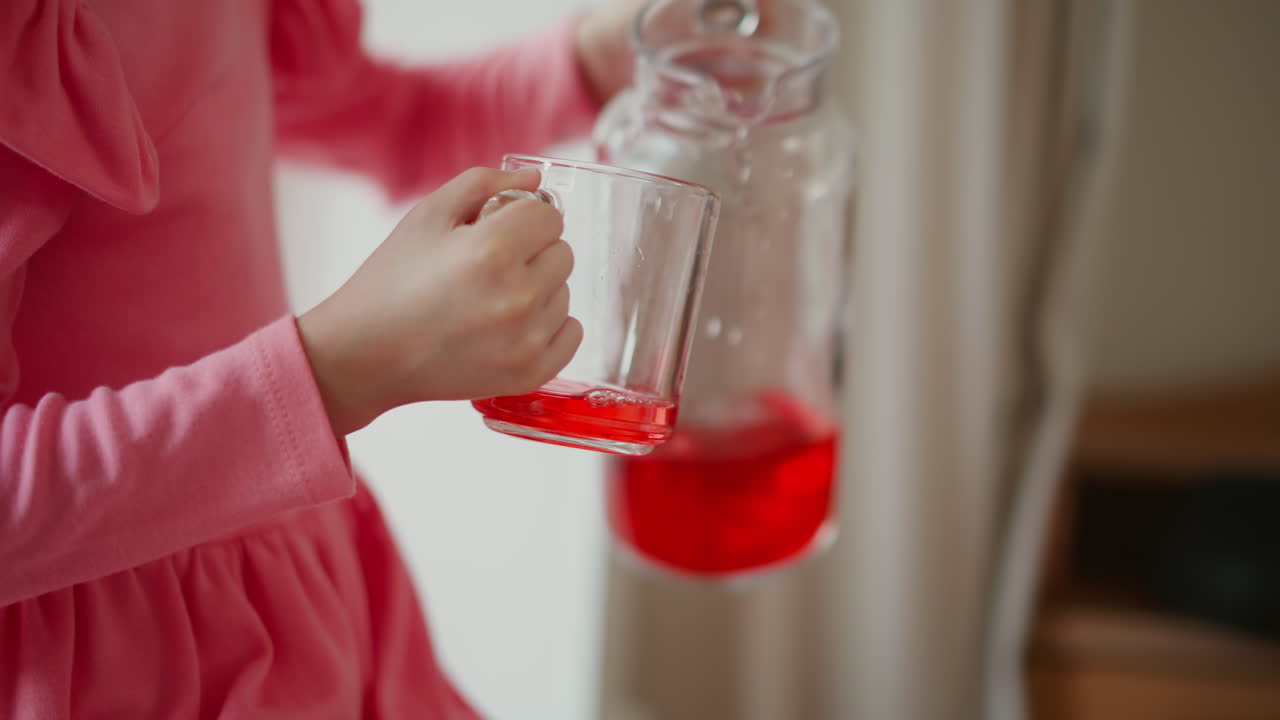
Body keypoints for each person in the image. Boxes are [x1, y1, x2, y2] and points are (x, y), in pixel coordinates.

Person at [0, 0, 639, 716]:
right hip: (106, 673)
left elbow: (393, 123)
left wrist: (590, 64)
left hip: (295, 606)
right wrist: (335, 372)